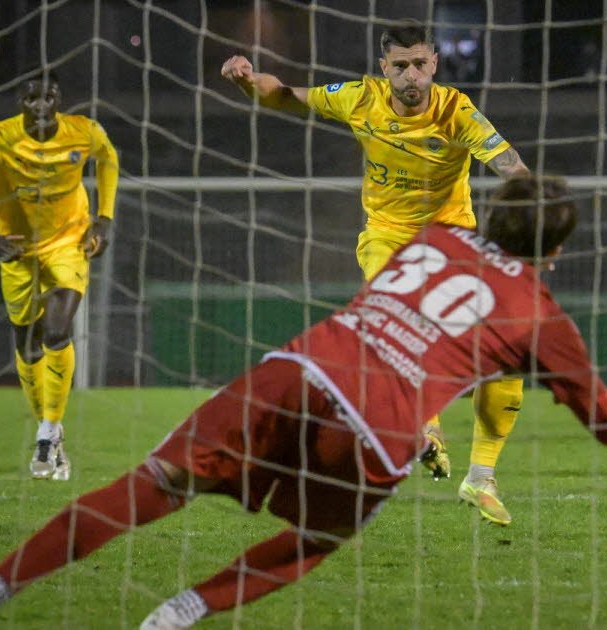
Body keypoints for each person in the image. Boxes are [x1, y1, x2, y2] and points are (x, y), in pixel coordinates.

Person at [0, 177, 607, 630]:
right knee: (317, 538)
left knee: (154, 485)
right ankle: (181, 612)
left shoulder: (433, 237)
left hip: (299, 369)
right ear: (555, 250)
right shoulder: (541, 314)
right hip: (379, 426)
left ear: (491, 215)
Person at [220, 20, 530, 525]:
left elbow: (511, 166)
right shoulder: (360, 98)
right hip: (389, 238)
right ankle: (424, 427)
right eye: (401, 66)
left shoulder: (457, 112)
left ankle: (480, 478)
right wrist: (248, 82)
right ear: (384, 68)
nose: (412, 76)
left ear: (434, 64)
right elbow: (287, 96)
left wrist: (533, 210)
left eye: (420, 64)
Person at [0, 70, 118, 480]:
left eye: (49, 97)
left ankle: (46, 432)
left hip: (68, 243)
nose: (41, 106)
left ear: (60, 100)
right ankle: (52, 429)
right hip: (19, 250)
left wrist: (104, 218)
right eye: (31, 99)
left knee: (57, 330)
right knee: (27, 346)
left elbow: (109, 158)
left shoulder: (84, 132)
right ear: (19, 104)